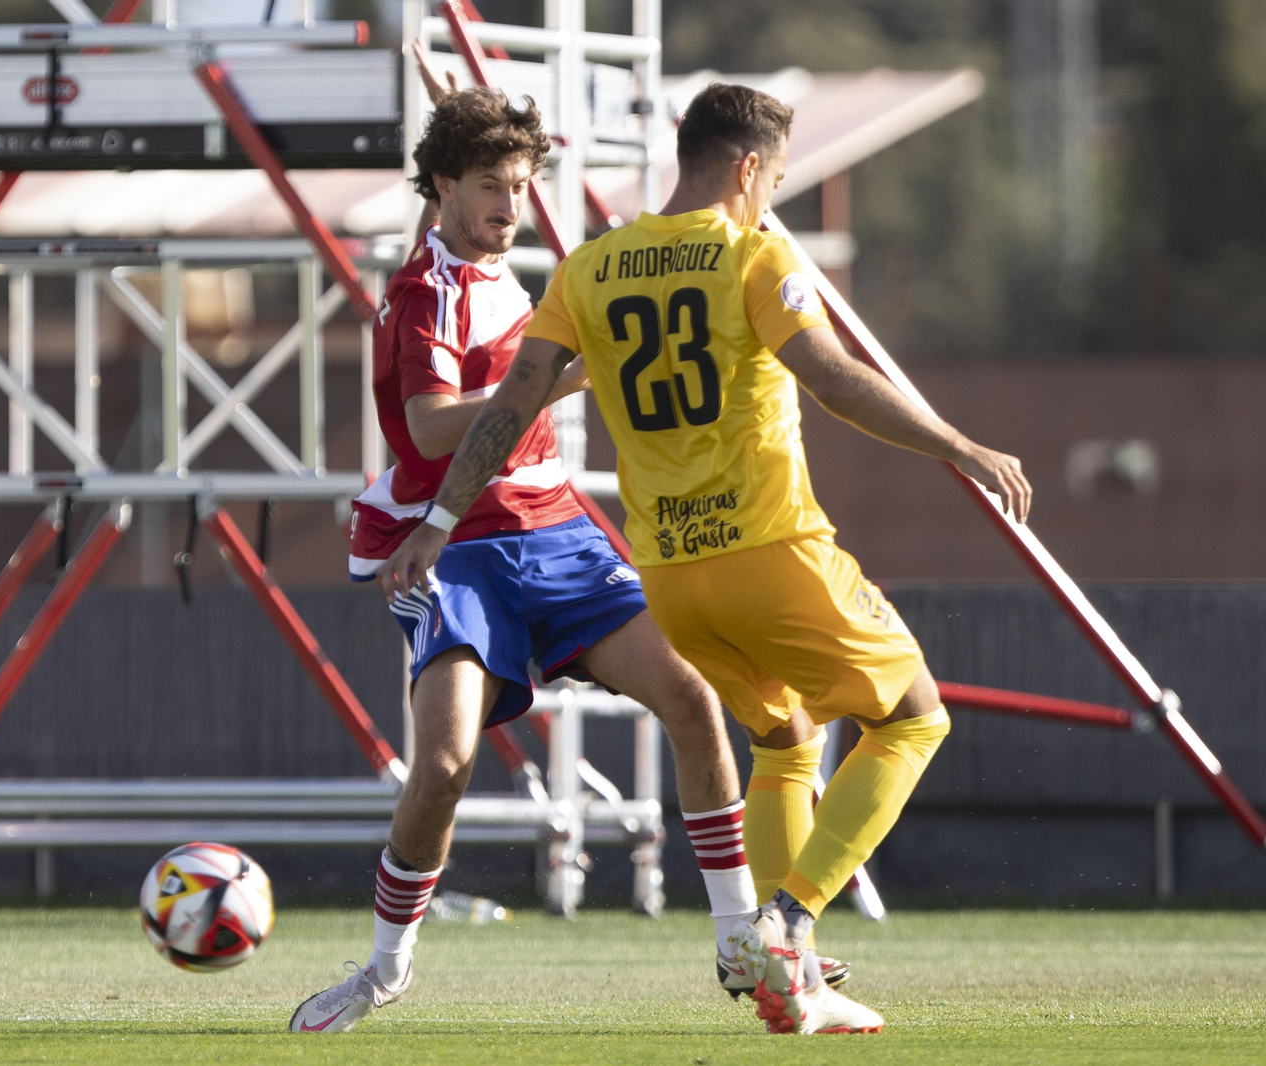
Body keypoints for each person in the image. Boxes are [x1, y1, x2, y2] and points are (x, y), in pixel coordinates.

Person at [379, 82, 1032, 1036]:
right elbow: (833, 377)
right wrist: (958, 445)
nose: (771, 197)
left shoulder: (590, 269)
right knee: (913, 721)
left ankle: (789, 992)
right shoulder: (754, 252)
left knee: (783, 739)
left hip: (675, 579)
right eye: (773, 179)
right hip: (775, 553)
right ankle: (789, 921)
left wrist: (435, 521)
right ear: (748, 168)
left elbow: (514, 404)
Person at [290, 77, 776, 1035]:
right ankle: (386, 968)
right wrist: (549, 378)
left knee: (691, 698)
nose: (508, 206)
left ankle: (738, 942)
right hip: (455, 548)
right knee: (442, 765)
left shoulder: (517, 273)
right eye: (489, 186)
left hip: (553, 532)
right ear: (440, 186)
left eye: (518, 186)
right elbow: (432, 431)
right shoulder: (420, 293)